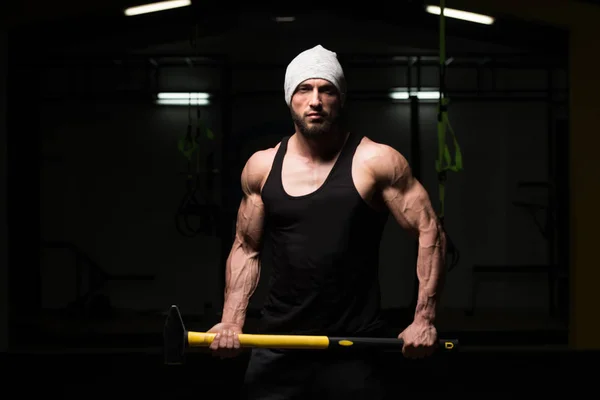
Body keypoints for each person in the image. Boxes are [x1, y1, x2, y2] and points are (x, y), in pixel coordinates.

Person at [207, 44, 447, 399]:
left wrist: (423, 318)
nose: (315, 100)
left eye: (327, 89)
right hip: (279, 343)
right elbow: (246, 248)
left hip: (354, 344)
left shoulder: (376, 161)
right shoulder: (261, 167)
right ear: (290, 98)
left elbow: (430, 232)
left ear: (341, 98)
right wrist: (231, 320)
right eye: (304, 89)